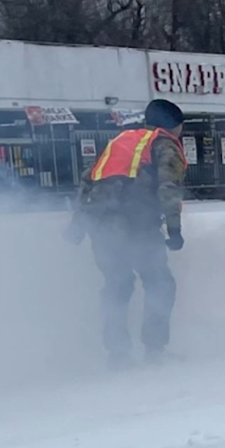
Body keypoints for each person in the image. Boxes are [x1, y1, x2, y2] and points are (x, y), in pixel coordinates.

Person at [63, 98, 188, 369]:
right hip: (138, 225)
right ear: (174, 125)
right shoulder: (164, 144)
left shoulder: (120, 142)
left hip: (101, 227)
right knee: (159, 283)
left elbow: (89, 181)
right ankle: (154, 350)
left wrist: (78, 225)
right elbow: (168, 188)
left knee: (117, 286)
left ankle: (118, 355)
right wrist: (174, 229)